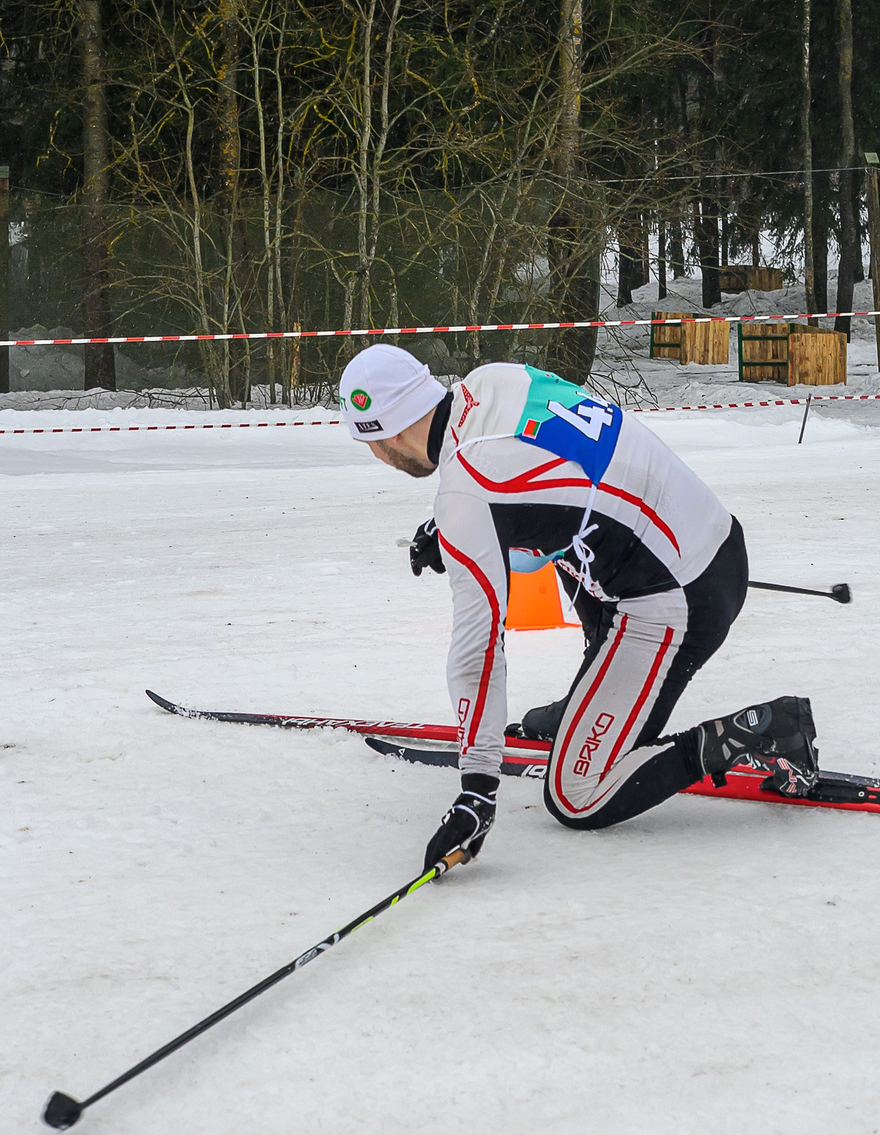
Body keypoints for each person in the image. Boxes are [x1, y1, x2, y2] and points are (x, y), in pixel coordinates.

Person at [336, 342, 819, 870]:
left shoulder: (464, 494)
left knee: (577, 794)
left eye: (371, 447)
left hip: (682, 596)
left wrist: (477, 786)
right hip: (707, 538)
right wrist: (454, 531)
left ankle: (764, 729)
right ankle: (591, 699)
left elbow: (478, 647)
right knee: (550, 542)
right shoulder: (491, 380)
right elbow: (544, 485)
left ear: (384, 436)